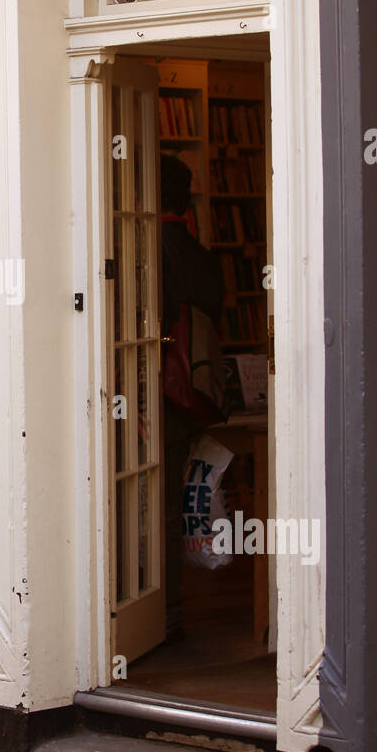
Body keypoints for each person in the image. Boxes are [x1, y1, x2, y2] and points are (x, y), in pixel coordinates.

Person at [160, 154, 224, 642]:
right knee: (180, 496)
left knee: (158, 504)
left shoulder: (153, 249)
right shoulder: (201, 254)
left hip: (160, 394)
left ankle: (162, 610)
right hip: (197, 391)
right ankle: (173, 606)